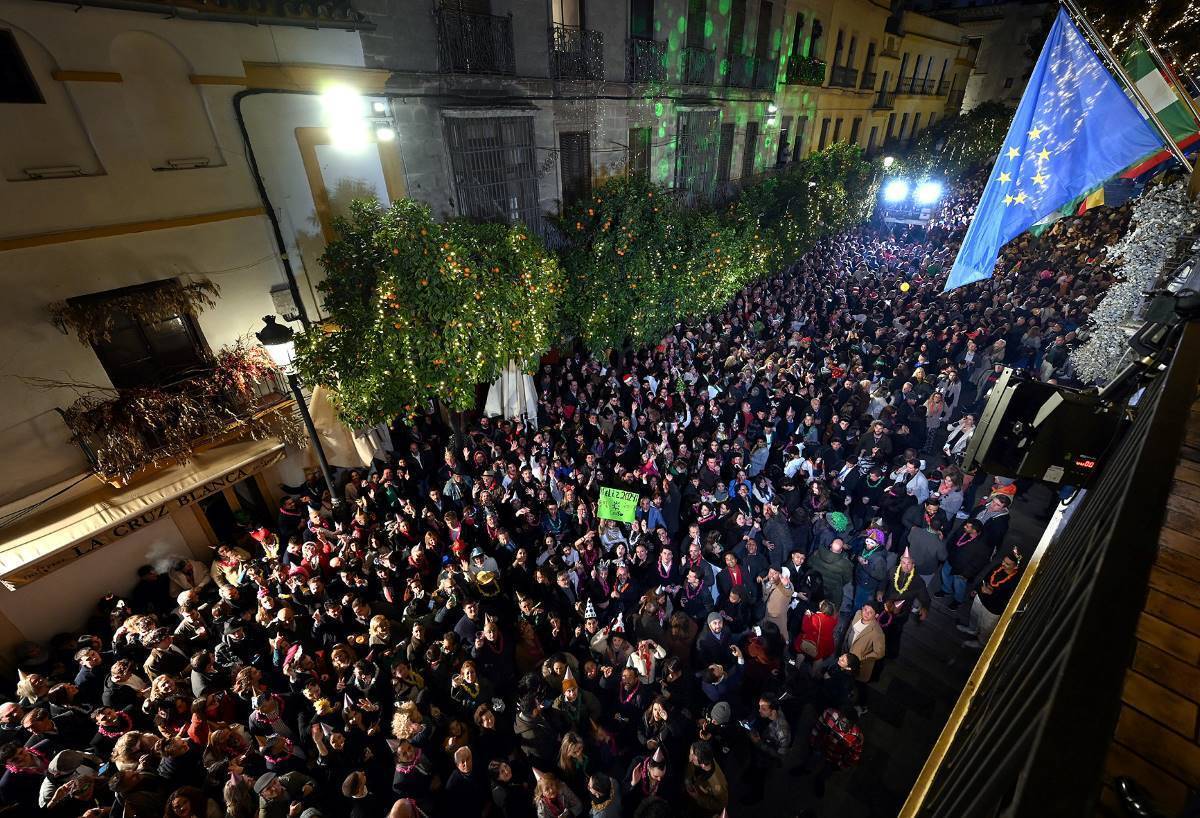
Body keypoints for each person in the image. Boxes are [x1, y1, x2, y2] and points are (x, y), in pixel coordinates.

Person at [958, 549, 1023, 649]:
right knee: (974, 614)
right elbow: (986, 578)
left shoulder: (1016, 581)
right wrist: (976, 589)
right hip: (981, 597)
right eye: (1003, 561)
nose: (1003, 564)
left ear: (1015, 566)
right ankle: (972, 629)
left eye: (1007, 564)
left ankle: (981, 642)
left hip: (993, 608)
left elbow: (1009, 600)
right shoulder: (998, 567)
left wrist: (992, 593)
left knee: (986, 627)